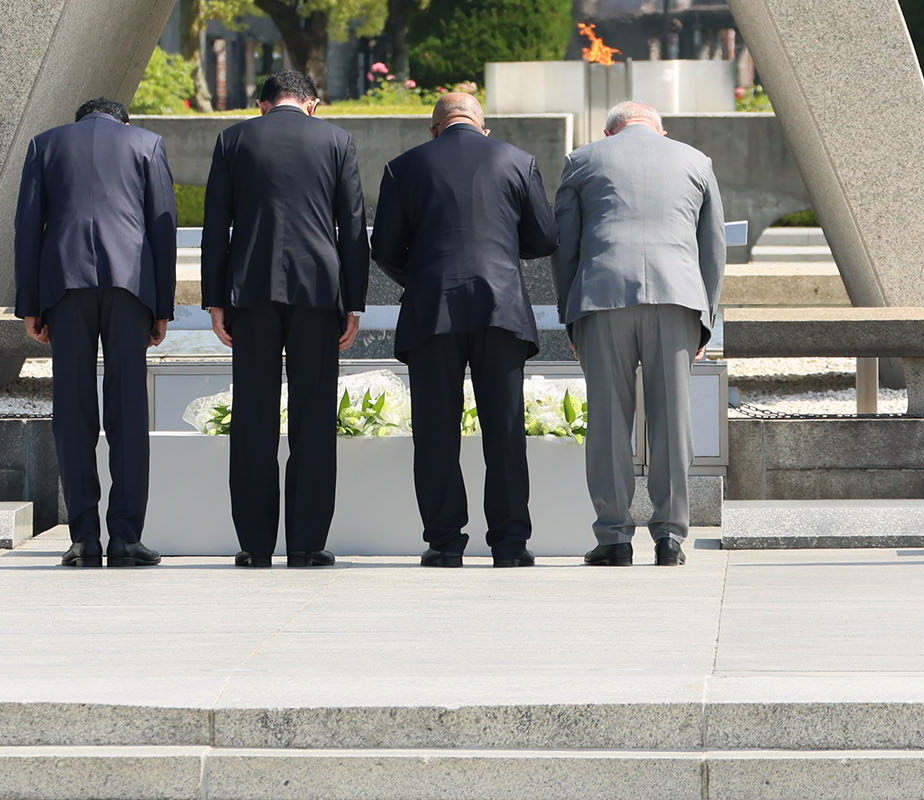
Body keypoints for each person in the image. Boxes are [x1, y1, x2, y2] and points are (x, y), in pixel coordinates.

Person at [371, 91, 556, 566]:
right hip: (502, 309)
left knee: (435, 431)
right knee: (506, 430)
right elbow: (543, 237)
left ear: (434, 128)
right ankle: (511, 543)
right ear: (482, 126)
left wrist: (425, 278)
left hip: (432, 312)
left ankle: (445, 541)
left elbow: (385, 247)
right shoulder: (519, 161)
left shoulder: (404, 167)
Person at [202, 68, 367, 568]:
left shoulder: (233, 139)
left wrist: (215, 300)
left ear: (262, 104)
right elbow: (353, 226)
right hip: (318, 292)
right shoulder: (337, 140)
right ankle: (307, 543)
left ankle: (255, 545)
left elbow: (216, 225)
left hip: (251, 290)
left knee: (253, 417)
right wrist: (353, 302)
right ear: (312, 104)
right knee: (313, 418)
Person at [552, 100, 725, 567]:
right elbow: (713, 247)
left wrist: (571, 313)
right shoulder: (695, 161)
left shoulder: (582, 160)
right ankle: (670, 537)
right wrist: (706, 317)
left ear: (610, 133)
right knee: (673, 420)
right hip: (677, 299)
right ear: (660, 131)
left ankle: (613, 537)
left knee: (608, 421)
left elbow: (565, 247)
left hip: (602, 298)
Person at [16, 96, 177, 567]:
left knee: (72, 411)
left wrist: (31, 304)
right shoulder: (146, 144)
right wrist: (161, 307)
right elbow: (161, 228)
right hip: (129, 286)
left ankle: (83, 537)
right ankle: (126, 536)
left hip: (65, 288)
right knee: (128, 410)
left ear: (79, 118)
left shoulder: (45, 145)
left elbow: (27, 228)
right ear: (122, 120)